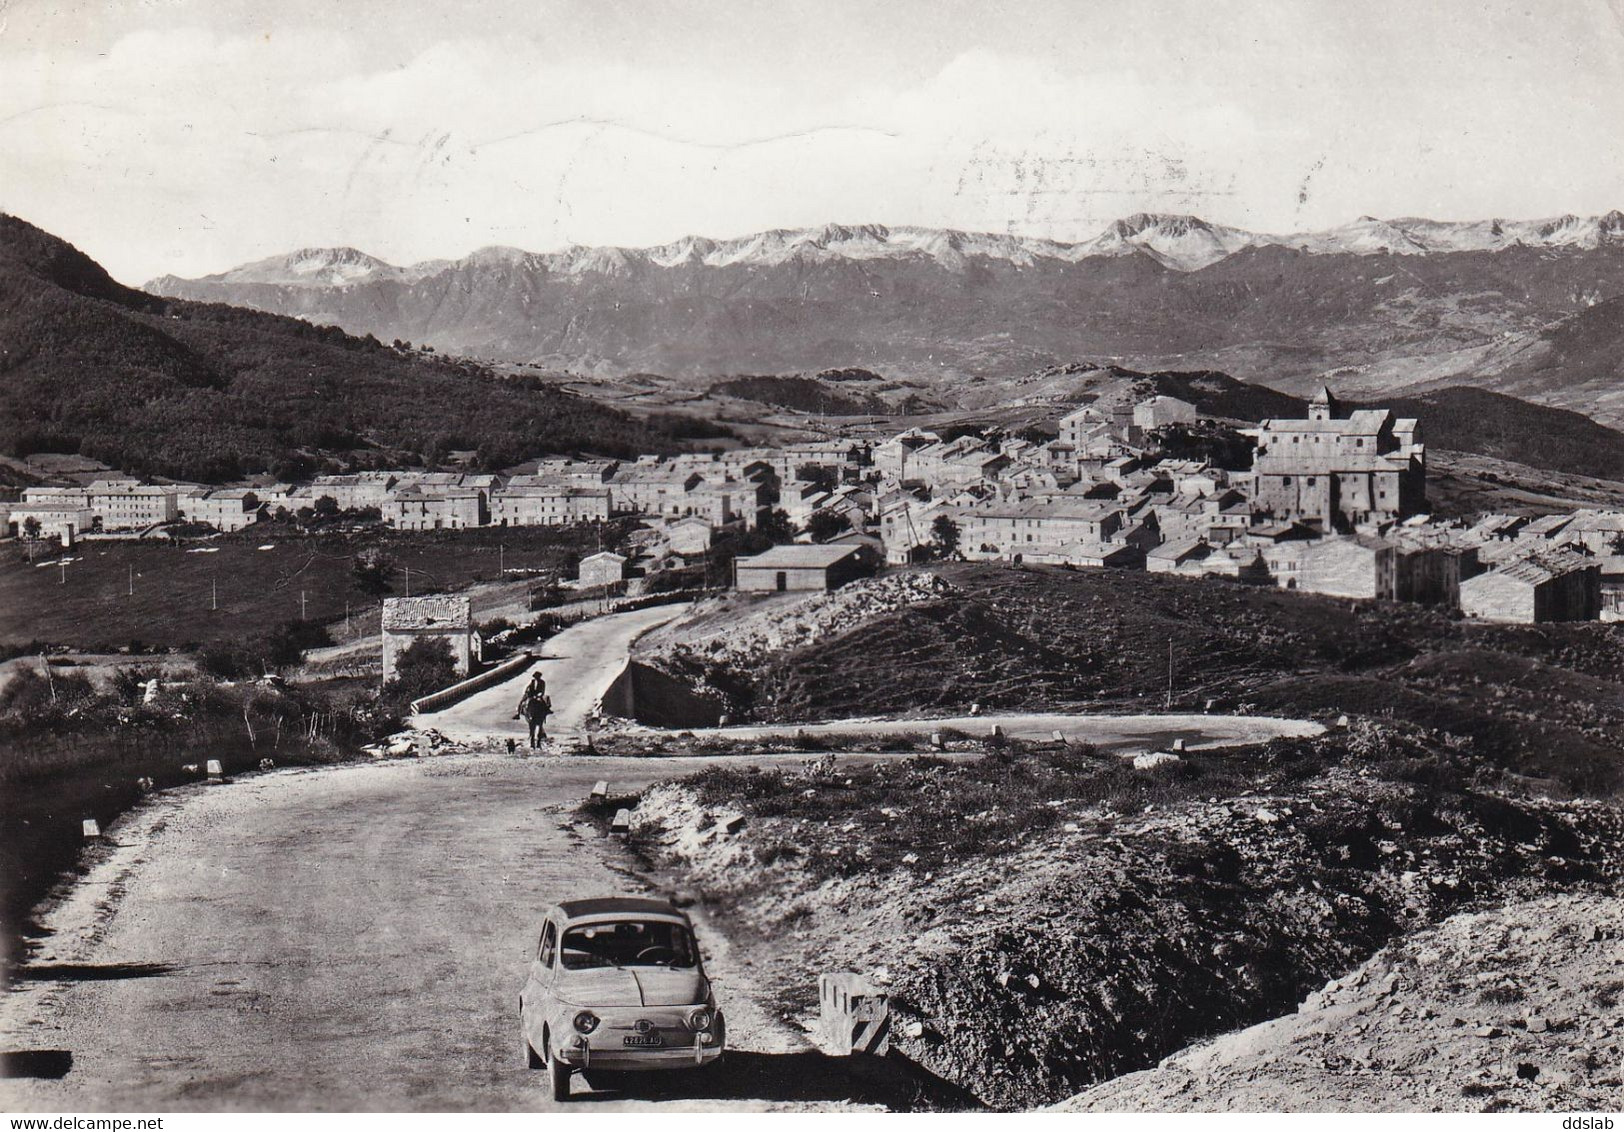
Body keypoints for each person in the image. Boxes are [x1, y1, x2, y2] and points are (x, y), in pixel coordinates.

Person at [515, 673, 552, 750]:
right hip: (531, 695)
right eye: (536, 677)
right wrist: (527, 693)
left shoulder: (542, 682)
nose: (537, 678)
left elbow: (542, 691)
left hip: (538, 695)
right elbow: (527, 688)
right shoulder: (531, 682)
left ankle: (546, 711)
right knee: (521, 701)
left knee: (544, 701)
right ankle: (518, 713)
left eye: (538, 677)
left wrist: (539, 695)